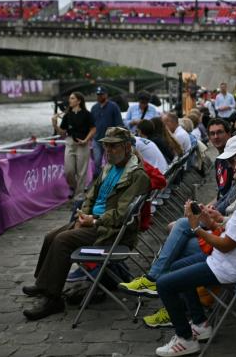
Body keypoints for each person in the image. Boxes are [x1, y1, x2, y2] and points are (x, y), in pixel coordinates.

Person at [153, 153, 236, 356]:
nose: (234, 176)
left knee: (164, 284)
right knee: (176, 267)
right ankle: (200, 323)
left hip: (227, 267)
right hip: (225, 261)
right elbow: (231, 233)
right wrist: (209, 222)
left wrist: (196, 228)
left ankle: (185, 339)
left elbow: (225, 245)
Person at [21, 127, 151, 320]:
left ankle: (53, 298)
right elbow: (91, 195)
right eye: (106, 146)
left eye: (113, 146)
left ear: (126, 147)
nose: (108, 150)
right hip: (94, 223)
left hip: (112, 231)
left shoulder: (137, 175)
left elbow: (122, 215)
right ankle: (44, 284)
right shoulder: (109, 168)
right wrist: (84, 215)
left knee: (62, 241)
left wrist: (94, 220)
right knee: (50, 237)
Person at [52, 91, 95, 201]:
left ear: (79, 101)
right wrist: (55, 124)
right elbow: (62, 133)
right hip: (70, 142)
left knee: (81, 172)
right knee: (68, 171)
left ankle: (79, 196)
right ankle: (77, 189)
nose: (69, 100)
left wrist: (86, 140)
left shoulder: (87, 114)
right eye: (70, 98)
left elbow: (93, 129)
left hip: (82, 144)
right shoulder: (68, 115)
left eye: (72, 98)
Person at [90, 86, 123, 169]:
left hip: (110, 140)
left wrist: (118, 137)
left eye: (101, 94)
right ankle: (99, 179)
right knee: (97, 161)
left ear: (106, 95)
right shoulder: (94, 108)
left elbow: (119, 123)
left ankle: (108, 178)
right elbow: (91, 124)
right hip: (97, 139)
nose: (99, 96)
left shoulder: (114, 106)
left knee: (110, 161)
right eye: (98, 94)